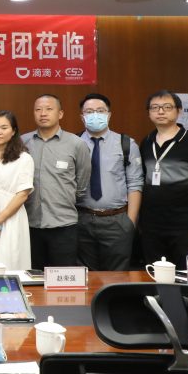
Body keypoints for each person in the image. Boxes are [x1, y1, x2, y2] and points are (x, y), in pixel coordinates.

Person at [139, 90, 188, 269]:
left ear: (179, 111)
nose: (160, 111)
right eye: (155, 107)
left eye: (167, 107)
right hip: (152, 226)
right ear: (149, 113)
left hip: (187, 226)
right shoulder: (147, 141)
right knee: (155, 276)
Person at [22, 94, 91, 269]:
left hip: (63, 224)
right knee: (33, 276)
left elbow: (82, 183)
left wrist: (65, 197)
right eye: (38, 109)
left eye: (49, 109)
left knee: (62, 276)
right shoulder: (22, 143)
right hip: (29, 223)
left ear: (60, 114)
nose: (43, 113)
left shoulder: (77, 144)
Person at [76, 93, 144, 271]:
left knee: (118, 275)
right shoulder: (73, 143)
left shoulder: (126, 143)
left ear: (109, 115)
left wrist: (130, 222)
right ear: (82, 117)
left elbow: (135, 183)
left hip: (117, 220)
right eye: (89, 111)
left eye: (100, 111)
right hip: (81, 219)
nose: (95, 115)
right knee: (85, 275)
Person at [0, 111, 34, 270]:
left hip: (10, 216)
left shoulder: (24, 158)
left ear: (13, 131)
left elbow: (22, 194)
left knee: (9, 261)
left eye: (4, 128)